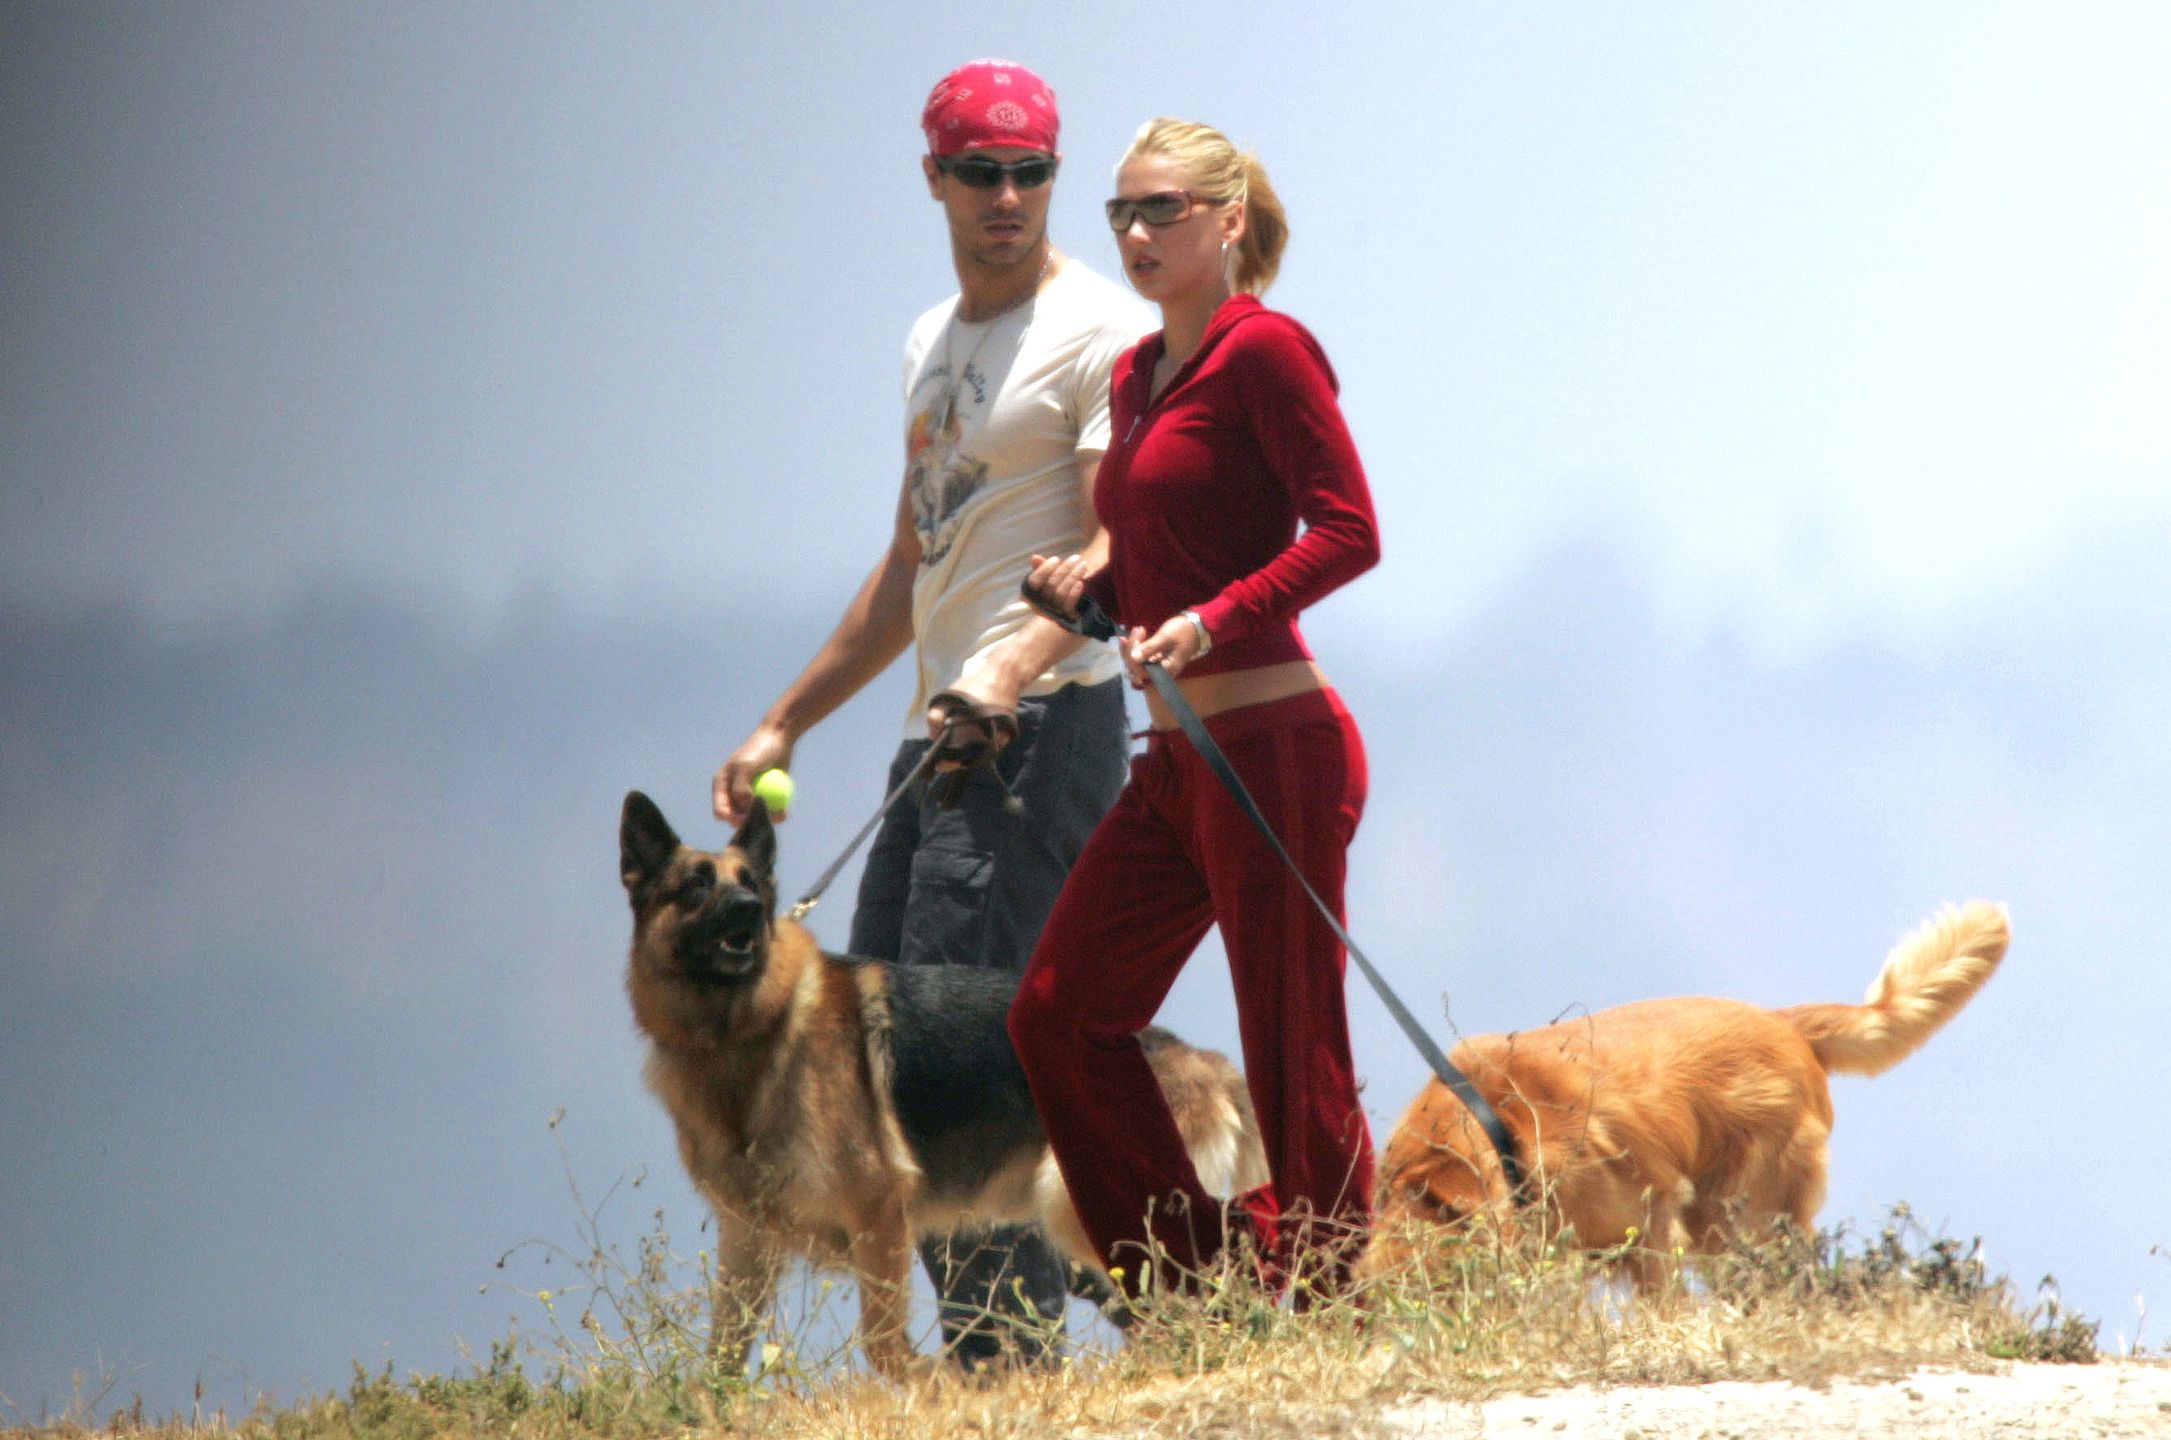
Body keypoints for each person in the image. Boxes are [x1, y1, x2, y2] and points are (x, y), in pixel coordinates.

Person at [713, 61, 1151, 1367]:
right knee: (874, 1068)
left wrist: (1006, 673)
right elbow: (915, 566)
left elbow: (1112, 547)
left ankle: (1004, 1368)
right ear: (935, 178)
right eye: (979, 172)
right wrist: (784, 723)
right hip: (935, 743)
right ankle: (1136, 1307)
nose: (1006, 196)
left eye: (1030, 172)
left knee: (955, 1071)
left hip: (1036, 730)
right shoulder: (928, 345)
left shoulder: (1098, 331)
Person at [1006, 118, 1382, 1303]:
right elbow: (1162, 567)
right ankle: (1196, 1285)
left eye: (1160, 208)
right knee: (1056, 1015)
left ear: (1227, 221)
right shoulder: (1134, 374)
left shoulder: (1266, 351)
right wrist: (1092, 596)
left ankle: (1319, 1293)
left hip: (1274, 751)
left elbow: (1348, 531)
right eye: (1119, 211)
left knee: (1289, 1047)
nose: (1134, 232)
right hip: (1174, 761)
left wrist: (1215, 620)